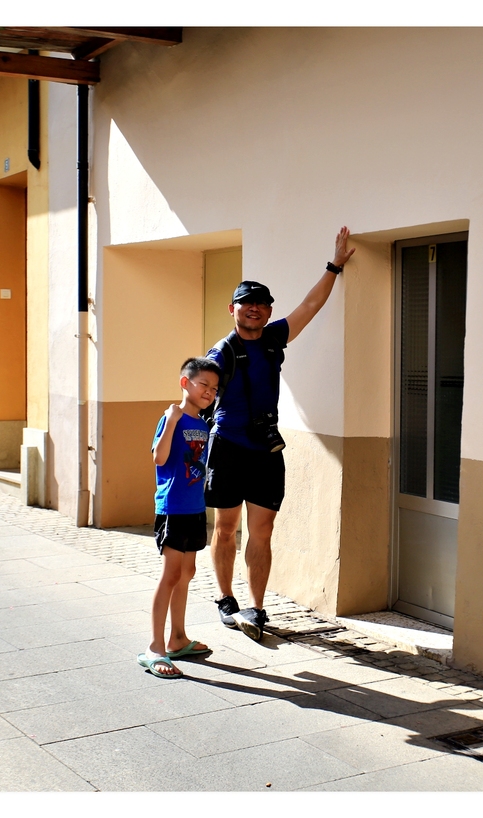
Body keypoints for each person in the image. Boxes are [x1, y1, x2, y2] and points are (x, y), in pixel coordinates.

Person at [205, 226, 355, 640]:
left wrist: (335, 266)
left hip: (265, 450)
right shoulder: (222, 352)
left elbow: (310, 305)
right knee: (225, 528)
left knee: (264, 531)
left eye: (261, 304)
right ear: (232, 309)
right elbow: (196, 392)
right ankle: (224, 598)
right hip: (229, 448)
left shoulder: (273, 338)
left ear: (269, 312)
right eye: (246, 303)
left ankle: (256, 608)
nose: (254, 309)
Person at [138, 357, 221, 678]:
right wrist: (171, 421)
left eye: (214, 389)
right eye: (204, 385)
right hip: (172, 507)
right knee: (171, 575)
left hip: (195, 508)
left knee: (187, 572)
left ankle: (178, 638)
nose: (209, 392)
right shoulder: (172, 418)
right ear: (185, 383)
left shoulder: (203, 423)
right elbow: (158, 457)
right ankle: (155, 648)